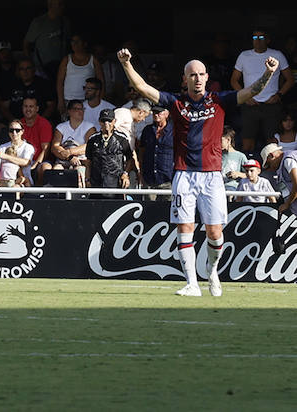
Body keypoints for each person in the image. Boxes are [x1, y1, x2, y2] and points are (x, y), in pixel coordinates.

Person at [118, 47, 277, 297]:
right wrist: (127, 64)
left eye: (202, 74)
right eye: (193, 75)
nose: (198, 78)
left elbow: (253, 91)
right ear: (185, 79)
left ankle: (212, 271)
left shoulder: (220, 100)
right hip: (183, 175)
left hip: (212, 176)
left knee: (215, 233)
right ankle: (192, 283)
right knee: (185, 228)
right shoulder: (176, 103)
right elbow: (143, 88)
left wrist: (268, 73)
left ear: (207, 77)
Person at [230, 29, 293, 154]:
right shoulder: (244, 56)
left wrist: (279, 95)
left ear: (268, 40)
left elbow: (290, 79)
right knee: (247, 142)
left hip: (271, 105)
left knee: (272, 143)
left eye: (261, 38)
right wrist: (245, 97)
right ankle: (248, 170)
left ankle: (272, 171)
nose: (258, 41)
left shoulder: (277, 55)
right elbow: (234, 81)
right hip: (250, 104)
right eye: (254, 38)